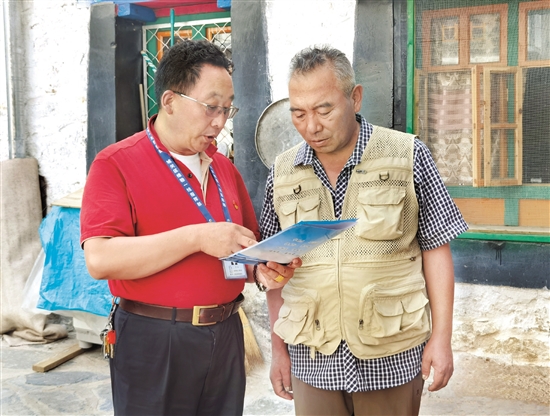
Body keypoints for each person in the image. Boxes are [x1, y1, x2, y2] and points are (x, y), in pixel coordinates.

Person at [80, 39, 300, 416]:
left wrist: (263, 269)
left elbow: (246, 252)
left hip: (226, 333)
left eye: (227, 109)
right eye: (211, 106)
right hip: (154, 339)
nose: (220, 121)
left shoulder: (224, 170)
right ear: (170, 101)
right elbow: (100, 259)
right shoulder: (116, 164)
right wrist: (197, 237)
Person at [260, 45, 468, 416]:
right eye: (298, 113)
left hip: (391, 354)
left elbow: (436, 249)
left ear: (354, 98)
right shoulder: (282, 173)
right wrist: (278, 351)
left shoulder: (407, 155)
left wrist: (441, 338)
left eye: (324, 110)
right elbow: (275, 270)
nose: (311, 126)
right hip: (312, 359)